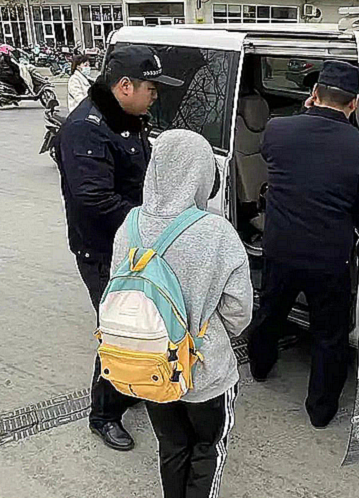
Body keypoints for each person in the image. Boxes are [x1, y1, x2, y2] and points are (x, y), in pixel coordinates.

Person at [110, 129, 253, 498]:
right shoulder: (217, 232)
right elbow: (239, 313)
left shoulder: (130, 224)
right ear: (203, 174)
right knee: (208, 450)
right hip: (204, 371)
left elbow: (116, 288)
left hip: (149, 365)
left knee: (172, 447)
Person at [54, 45, 183, 451]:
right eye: (151, 89)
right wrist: (152, 224)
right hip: (103, 251)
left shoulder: (126, 118)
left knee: (143, 326)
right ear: (125, 86)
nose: (155, 97)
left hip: (133, 246)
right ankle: (104, 414)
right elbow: (95, 200)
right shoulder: (86, 129)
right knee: (121, 331)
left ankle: (131, 382)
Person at [248, 60, 359, 429]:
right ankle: (320, 411)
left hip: (281, 248)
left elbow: (276, 155)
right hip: (329, 258)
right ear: (354, 103)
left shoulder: (277, 129)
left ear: (313, 94)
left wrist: (306, 112)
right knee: (329, 335)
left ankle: (259, 368)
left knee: (270, 313)